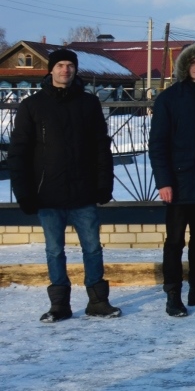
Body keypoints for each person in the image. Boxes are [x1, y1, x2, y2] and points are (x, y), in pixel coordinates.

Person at [10, 48, 119, 322]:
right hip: (48, 195)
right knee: (54, 251)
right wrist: (24, 192)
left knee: (92, 249)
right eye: (60, 65)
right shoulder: (32, 106)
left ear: (75, 70)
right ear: (51, 69)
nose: (65, 70)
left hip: (83, 193)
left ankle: (98, 301)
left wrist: (104, 183)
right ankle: (59, 304)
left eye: (70, 65)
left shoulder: (88, 103)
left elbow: (100, 147)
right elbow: (19, 152)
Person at [148, 42, 195, 316]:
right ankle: (173, 294)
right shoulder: (168, 99)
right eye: (193, 63)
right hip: (178, 185)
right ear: (185, 66)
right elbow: (157, 144)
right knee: (175, 242)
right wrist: (163, 182)